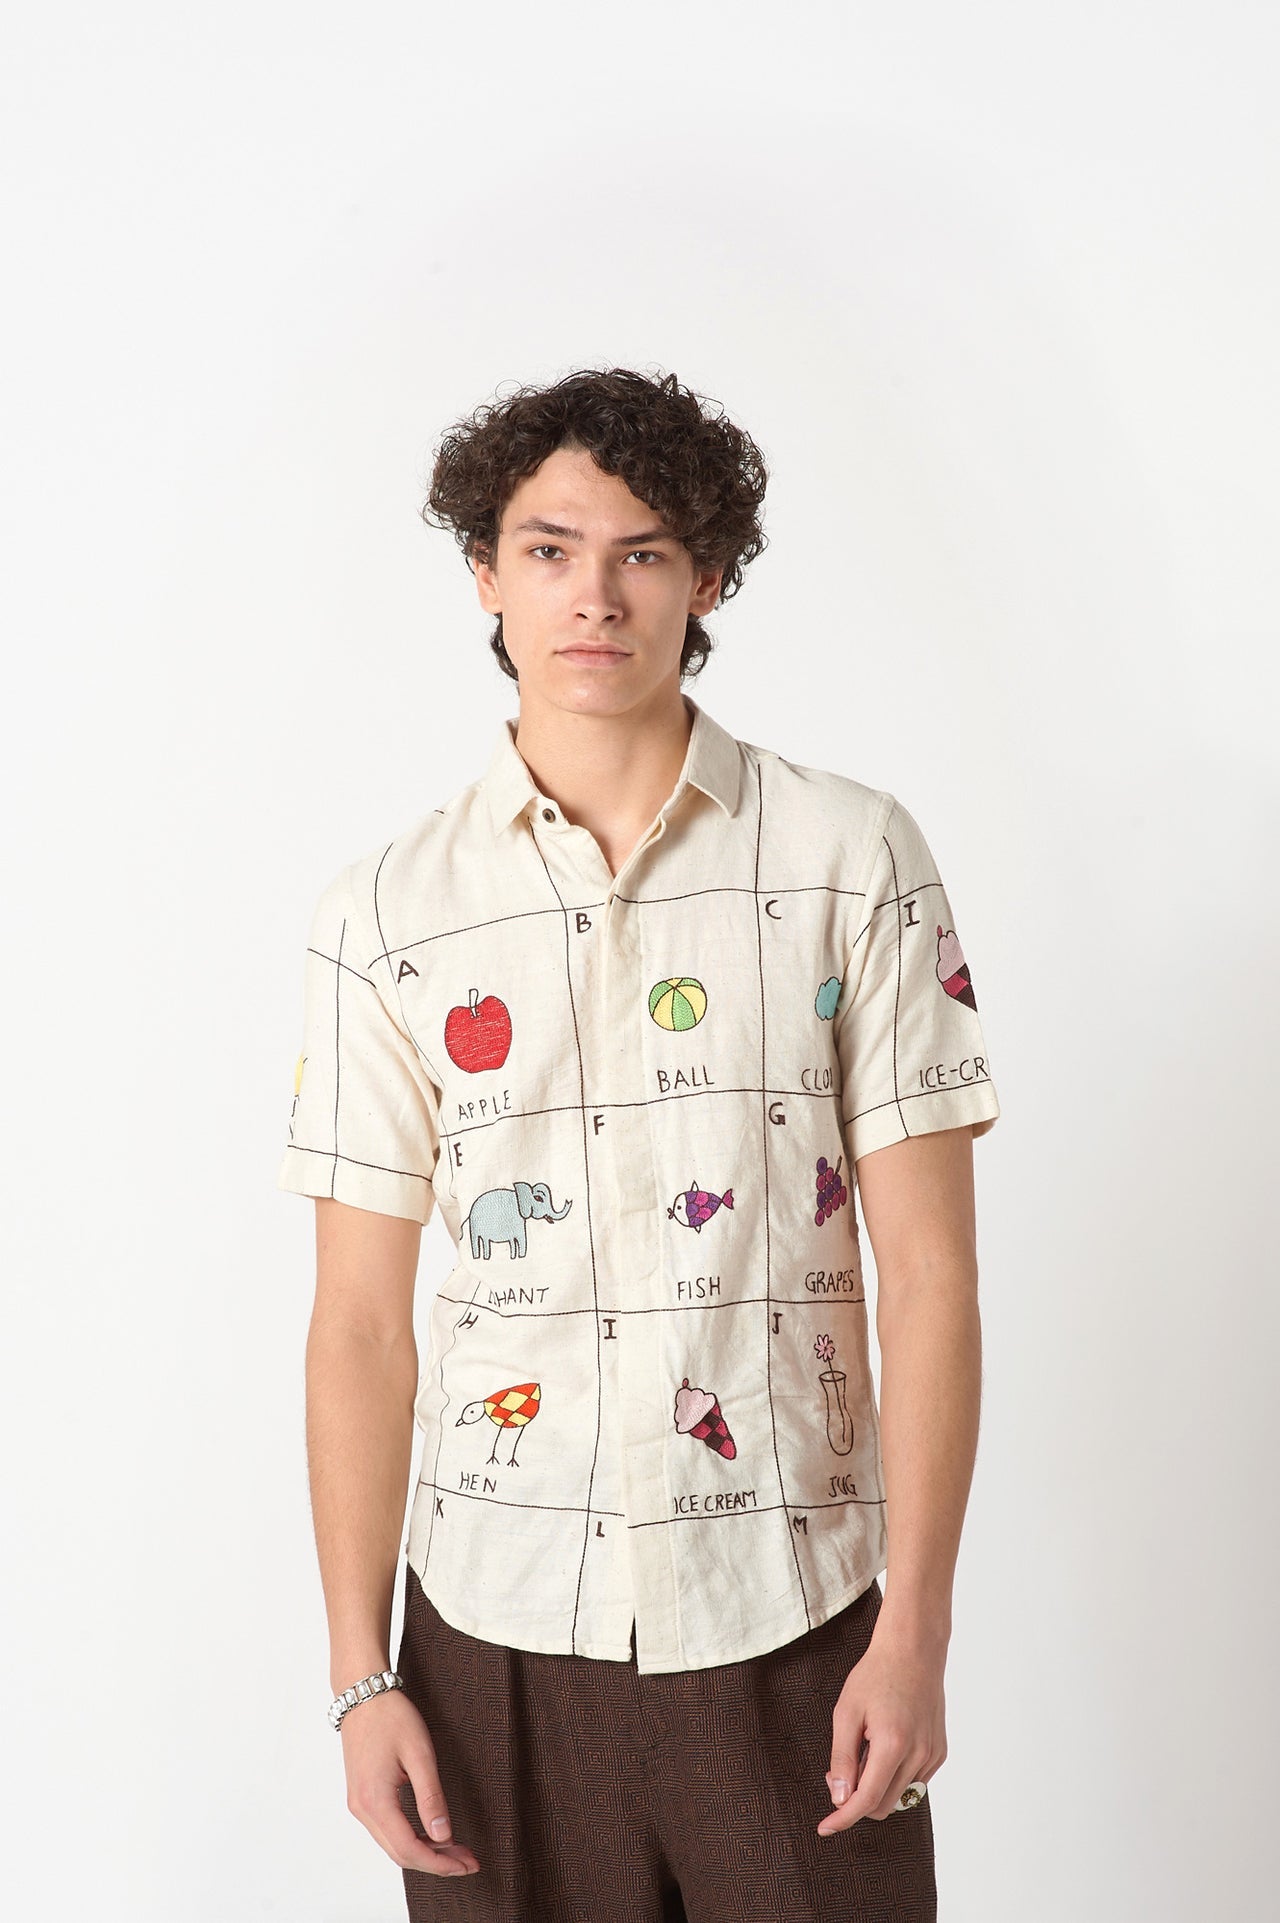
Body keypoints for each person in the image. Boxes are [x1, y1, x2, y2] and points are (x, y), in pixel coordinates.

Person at [277, 366, 1001, 1923]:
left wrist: (916, 1631)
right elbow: (355, 1325)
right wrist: (361, 1679)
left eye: (644, 552)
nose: (593, 595)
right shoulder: (384, 916)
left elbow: (930, 1272)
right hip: (488, 1642)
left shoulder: (848, 857)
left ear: (711, 577)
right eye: (547, 549)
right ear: (484, 571)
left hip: (796, 1624)